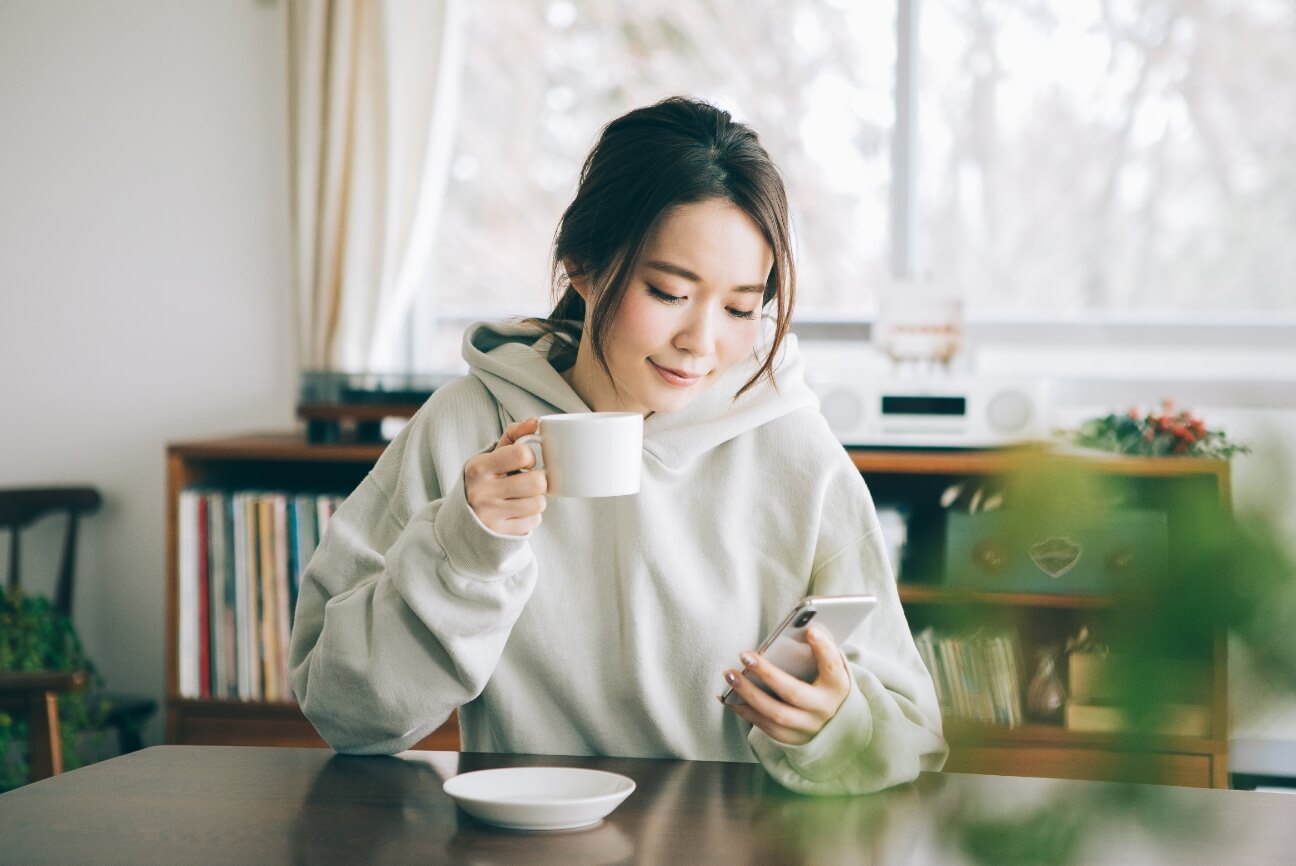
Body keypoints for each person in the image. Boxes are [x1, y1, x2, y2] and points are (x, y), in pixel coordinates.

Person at [288, 96, 947, 795]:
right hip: (529, 842)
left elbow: (913, 734)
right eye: (668, 292)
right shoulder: (468, 424)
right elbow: (343, 716)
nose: (701, 342)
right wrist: (464, 551)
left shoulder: (793, 445)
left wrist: (833, 724)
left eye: (739, 308)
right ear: (584, 265)